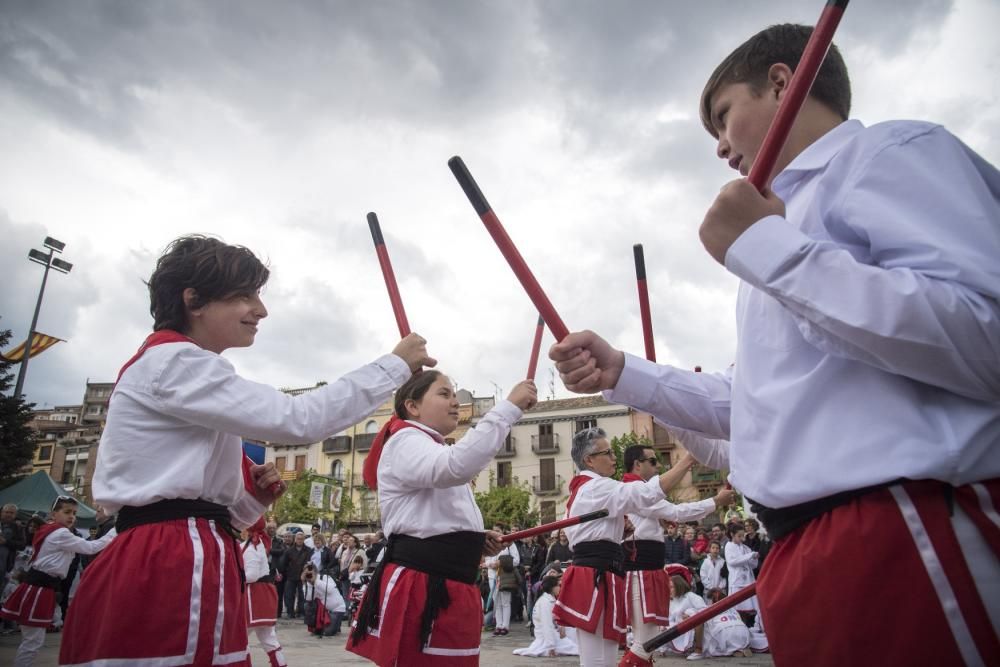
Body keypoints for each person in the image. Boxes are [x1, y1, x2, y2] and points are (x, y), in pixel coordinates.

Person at [550, 21, 1000, 665]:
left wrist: (770, 250)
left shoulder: (889, 152)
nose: (719, 146)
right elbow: (747, 402)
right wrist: (622, 370)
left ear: (783, 82)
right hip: (806, 554)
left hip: (902, 528)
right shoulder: (770, 230)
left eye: (723, 115)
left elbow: (986, 331)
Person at [59, 235, 435, 667]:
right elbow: (298, 418)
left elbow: (205, 512)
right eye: (244, 295)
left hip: (182, 548)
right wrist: (394, 365)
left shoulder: (179, 371)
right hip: (169, 556)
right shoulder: (175, 363)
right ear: (194, 300)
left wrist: (250, 501)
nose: (261, 309)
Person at [348, 370, 537, 665]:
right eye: (444, 394)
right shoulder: (405, 441)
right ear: (412, 406)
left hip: (448, 584)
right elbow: (455, 466)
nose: (455, 402)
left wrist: (474, 539)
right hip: (423, 584)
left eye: (454, 395)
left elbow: (437, 515)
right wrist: (508, 408)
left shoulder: (430, 446)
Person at [552, 428, 697, 667]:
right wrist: (689, 460)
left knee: (604, 657)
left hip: (604, 572)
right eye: (608, 453)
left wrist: (618, 531)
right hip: (595, 575)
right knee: (598, 661)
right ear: (589, 460)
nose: (614, 458)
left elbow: (583, 534)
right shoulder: (596, 487)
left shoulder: (587, 489)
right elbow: (647, 493)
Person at [619, 445, 734, 667]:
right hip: (641, 573)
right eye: (653, 461)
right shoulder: (635, 489)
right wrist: (715, 501)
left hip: (647, 571)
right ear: (637, 464)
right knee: (645, 643)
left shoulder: (638, 490)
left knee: (647, 641)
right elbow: (677, 512)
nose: (658, 466)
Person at [1, 497, 116, 667]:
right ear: (54, 514)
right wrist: (116, 529)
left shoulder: (50, 529)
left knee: (31, 640)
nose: (72, 516)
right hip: (39, 588)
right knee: (32, 642)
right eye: (67, 512)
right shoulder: (61, 533)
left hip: (41, 587)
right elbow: (91, 547)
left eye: (74, 513)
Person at [243, 518, 287, 667]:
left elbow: (252, 575)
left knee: (239, 638)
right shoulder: (256, 544)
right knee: (269, 639)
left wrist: (234, 577)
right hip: (263, 593)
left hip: (255, 596)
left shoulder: (252, 547)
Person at [513, 576, 579, 658]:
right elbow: (547, 625)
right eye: (558, 585)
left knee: (573, 630)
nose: (560, 588)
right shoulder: (545, 603)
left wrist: (560, 627)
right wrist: (551, 646)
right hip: (547, 638)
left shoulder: (549, 600)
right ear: (552, 587)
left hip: (553, 635)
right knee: (577, 650)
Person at [485, 525, 521, 636]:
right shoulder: (489, 543)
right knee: (496, 601)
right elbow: (486, 558)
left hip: (504, 576)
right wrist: (490, 564)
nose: (495, 532)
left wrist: (501, 563)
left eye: (498, 530)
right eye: (494, 530)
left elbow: (516, 560)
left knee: (505, 601)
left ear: (502, 531)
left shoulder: (510, 543)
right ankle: (498, 625)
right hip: (492, 576)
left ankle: (505, 626)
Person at [302, 563, 347, 637]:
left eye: (310, 572)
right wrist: (308, 584)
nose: (309, 574)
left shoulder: (325, 577)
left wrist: (315, 581)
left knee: (327, 633)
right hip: (323, 610)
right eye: (306, 572)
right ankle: (320, 626)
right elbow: (308, 598)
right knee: (307, 605)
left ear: (315, 572)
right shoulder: (308, 584)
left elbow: (330, 589)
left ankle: (336, 626)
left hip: (336, 609)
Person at [280, 531, 314, 618]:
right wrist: (286, 572)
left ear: (304, 540)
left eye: (301, 539)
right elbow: (284, 563)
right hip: (291, 575)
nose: (299, 540)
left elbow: (310, 563)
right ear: (295, 539)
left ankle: (301, 612)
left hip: (303, 576)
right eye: (298, 539)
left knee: (302, 595)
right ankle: (290, 612)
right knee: (289, 595)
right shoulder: (289, 550)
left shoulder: (309, 550)